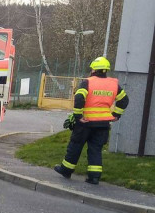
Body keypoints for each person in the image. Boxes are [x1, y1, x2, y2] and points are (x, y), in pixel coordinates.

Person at [53, 56, 129, 184]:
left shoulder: (88, 82)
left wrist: (78, 116)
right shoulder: (114, 84)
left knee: (75, 146)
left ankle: (66, 170)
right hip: (103, 124)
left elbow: (79, 98)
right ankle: (94, 177)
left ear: (93, 69)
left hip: (85, 122)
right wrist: (116, 114)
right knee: (95, 149)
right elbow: (124, 100)